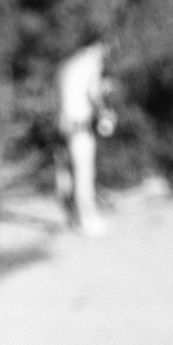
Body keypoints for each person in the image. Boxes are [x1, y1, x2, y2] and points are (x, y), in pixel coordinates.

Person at [54, 38, 115, 234]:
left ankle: (70, 217)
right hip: (79, 125)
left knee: (66, 174)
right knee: (84, 174)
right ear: (99, 45)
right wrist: (106, 112)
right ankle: (86, 219)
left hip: (61, 124)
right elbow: (93, 94)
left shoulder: (66, 64)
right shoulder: (92, 63)